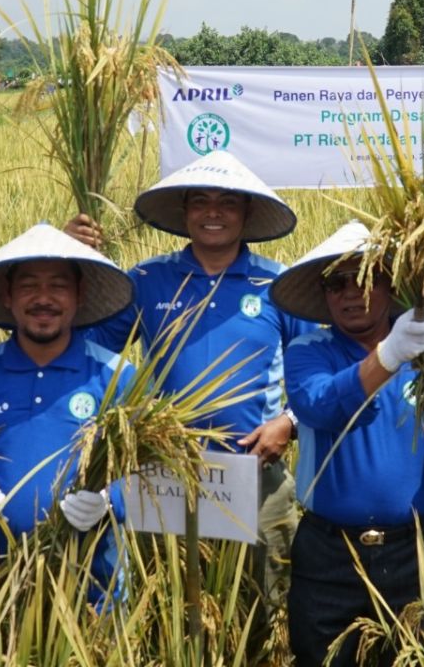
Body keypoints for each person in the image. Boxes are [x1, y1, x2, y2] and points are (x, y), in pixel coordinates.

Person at [66, 150, 313, 622]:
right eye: (200, 201)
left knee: (261, 614)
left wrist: (290, 422)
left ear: (246, 213)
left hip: (255, 480)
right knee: (170, 613)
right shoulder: (147, 280)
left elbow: (315, 372)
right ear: (184, 213)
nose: (213, 212)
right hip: (165, 479)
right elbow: (89, 352)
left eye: (227, 203)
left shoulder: (276, 284)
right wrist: (73, 261)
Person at [269, 220, 424, 667]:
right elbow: (320, 407)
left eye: (366, 278)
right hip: (329, 553)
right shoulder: (310, 350)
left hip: (413, 551)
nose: (351, 292)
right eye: (337, 283)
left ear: (392, 286)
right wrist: (390, 355)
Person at [0, 223, 138, 603]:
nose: (44, 298)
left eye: (58, 286)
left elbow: (148, 471)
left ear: (79, 295)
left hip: (95, 591)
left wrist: (110, 500)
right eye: (29, 286)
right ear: (7, 296)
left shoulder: (117, 376)